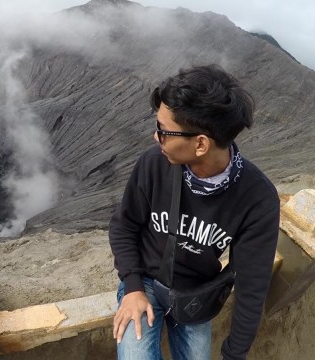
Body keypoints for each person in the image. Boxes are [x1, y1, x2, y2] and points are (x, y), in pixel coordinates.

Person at [109, 64, 279, 360]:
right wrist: (133, 287)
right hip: (145, 282)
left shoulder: (258, 199)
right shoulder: (153, 164)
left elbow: (251, 286)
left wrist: (233, 355)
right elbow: (124, 226)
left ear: (200, 144)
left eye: (163, 131)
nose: (155, 137)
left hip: (196, 293)